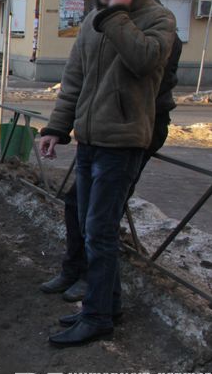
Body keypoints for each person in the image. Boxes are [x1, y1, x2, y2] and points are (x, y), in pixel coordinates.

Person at [37, 0, 177, 347]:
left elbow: (145, 61)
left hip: (124, 141)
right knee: (88, 224)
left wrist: (115, 15)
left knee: (99, 231)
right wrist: (56, 128)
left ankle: (97, 316)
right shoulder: (94, 19)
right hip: (90, 140)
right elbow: (74, 80)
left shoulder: (158, 19)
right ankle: (108, 306)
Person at [39, 34, 182, 302]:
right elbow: (76, 81)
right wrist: (58, 128)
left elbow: (143, 78)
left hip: (133, 132)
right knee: (76, 203)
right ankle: (76, 271)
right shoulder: (98, 25)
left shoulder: (158, 28)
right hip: (100, 130)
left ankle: (95, 290)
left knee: (101, 217)